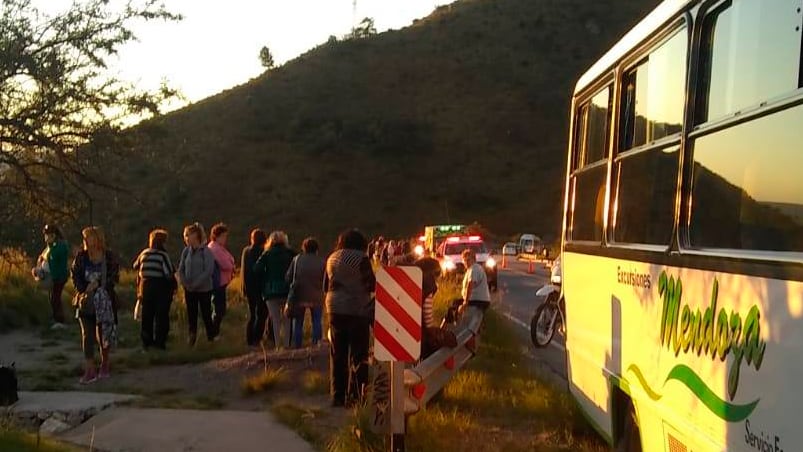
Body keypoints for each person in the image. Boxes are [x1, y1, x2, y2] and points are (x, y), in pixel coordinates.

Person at [325, 229, 375, 407]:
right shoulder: (361, 258)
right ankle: (356, 396)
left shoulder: (331, 258)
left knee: (337, 354)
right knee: (358, 354)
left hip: (334, 308)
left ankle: (337, 395)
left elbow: (326, 284)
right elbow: (371, 284)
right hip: (357, 309)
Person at [71, 227, 119, 384]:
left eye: (89, 237)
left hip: (104, 300)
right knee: (87, 335)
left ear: (97, 239)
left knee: (103, 333)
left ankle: (105, 364)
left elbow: (114, 276)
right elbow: (75, 274)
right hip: (85, 300)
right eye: (85, 238)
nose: (86, 241)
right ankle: (89, 369)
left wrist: (99, 284)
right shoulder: (81, 257)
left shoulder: (108, 256)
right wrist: (83, 288)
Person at [132, 229, 177, 351]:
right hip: (160, 289)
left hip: (145, 289)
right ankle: (160, 343)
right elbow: (169, 274)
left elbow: (135, 266)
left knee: (147, 317)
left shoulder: (144, 253)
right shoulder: (163, 256)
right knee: (161, 317)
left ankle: (146, 343)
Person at [254, 231, 295, 350]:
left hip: (271, 291)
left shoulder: (267, 254)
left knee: (275, 320)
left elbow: (257, 269)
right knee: (287, 319)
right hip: (287, 290)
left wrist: (266, 277)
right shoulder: (290, 253)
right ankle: (287, 345)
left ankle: (277, 345)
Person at [177, 222, 216, 346]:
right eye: (186, 236)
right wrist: (184, 283)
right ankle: (191, 339)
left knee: (206, 315)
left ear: (196, 236)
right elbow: (181, 269)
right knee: (191, 316)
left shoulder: (206, 251)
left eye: (189, 235)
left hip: (204, 289)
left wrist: (196, 284)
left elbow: (209, 270)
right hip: (189, 290)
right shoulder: (186, 252)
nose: (187, 238)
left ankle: (211, 338)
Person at [285, 237, 325, 348]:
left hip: (299, 295)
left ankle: (297, 345)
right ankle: (316, 344)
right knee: (317, 321)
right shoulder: (322, 262)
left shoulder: (297, 259)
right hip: (317, 295)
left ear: (303, 248)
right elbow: (326, 279)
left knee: (298, 322)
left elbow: (288, 277)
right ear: (317, 249)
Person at [32, 224, 69, 329]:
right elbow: (43, 257)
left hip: (58, 277)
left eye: (48, 235)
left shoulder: (60, 246)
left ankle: (60, 320)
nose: (46, 238)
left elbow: (54, 258)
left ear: (54, 235)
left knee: (55, 298)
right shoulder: (50, 246)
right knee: (52, 298)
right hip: (50, 275)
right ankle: (55, 318)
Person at [207, 223, 236, 336]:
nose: (225, 239)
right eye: (223, 236)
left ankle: (214, 333)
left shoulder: (218, 248)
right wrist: (231, 265)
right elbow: (226, 264)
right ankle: (213, 333)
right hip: (218, 283)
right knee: (219, 309)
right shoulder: (214, 248)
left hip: (221, 283)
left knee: (220, 309)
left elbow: (230, 261)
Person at [242, 228, 268, 347]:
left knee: (252, 314)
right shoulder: (262, 251)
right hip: (259, 287)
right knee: (261, 314)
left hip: (248, 286)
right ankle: (257, 338)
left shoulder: (246, 251)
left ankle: (249, 338)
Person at [459, 249, 492, 313]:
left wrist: (465, 302)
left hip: (477, 300)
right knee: (455, 303)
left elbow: (470, 284)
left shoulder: (474, 269)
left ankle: (453, 322)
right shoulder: (471, 269)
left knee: (454, 307)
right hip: (479, 300)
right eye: (464, 260)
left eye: (468, 260)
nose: (466, 262)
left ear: (474, 259)